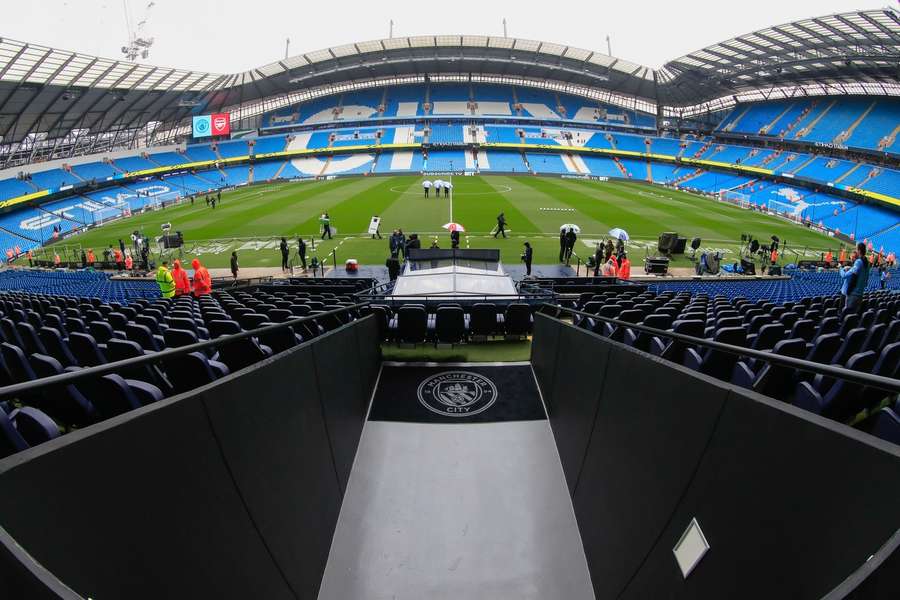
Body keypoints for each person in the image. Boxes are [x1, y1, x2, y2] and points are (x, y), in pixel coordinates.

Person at [840, 243, 869, 312]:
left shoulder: (859, 262)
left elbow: (845, 275)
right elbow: (865, 280)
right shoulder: (866, 262)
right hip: (860, 294)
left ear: (859, 251)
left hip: (853, 295)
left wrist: (840, 268)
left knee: (847, 316)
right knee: (852, 316)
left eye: (856, 249)